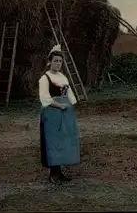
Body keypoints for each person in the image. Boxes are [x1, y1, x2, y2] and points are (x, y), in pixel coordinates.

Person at [38, 44, 80, 184]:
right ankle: (53, 174)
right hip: (52, 114)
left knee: (63, 141)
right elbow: (45, 99)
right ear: (50, 62)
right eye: (55, 61)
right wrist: (59, 105)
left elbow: (69, 95)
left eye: (60, 61)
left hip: (64, 113)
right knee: (53, 142)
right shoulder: (45, 78)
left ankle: (60, 173)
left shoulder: (63, 77)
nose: (58, 64)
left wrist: (69, 107)